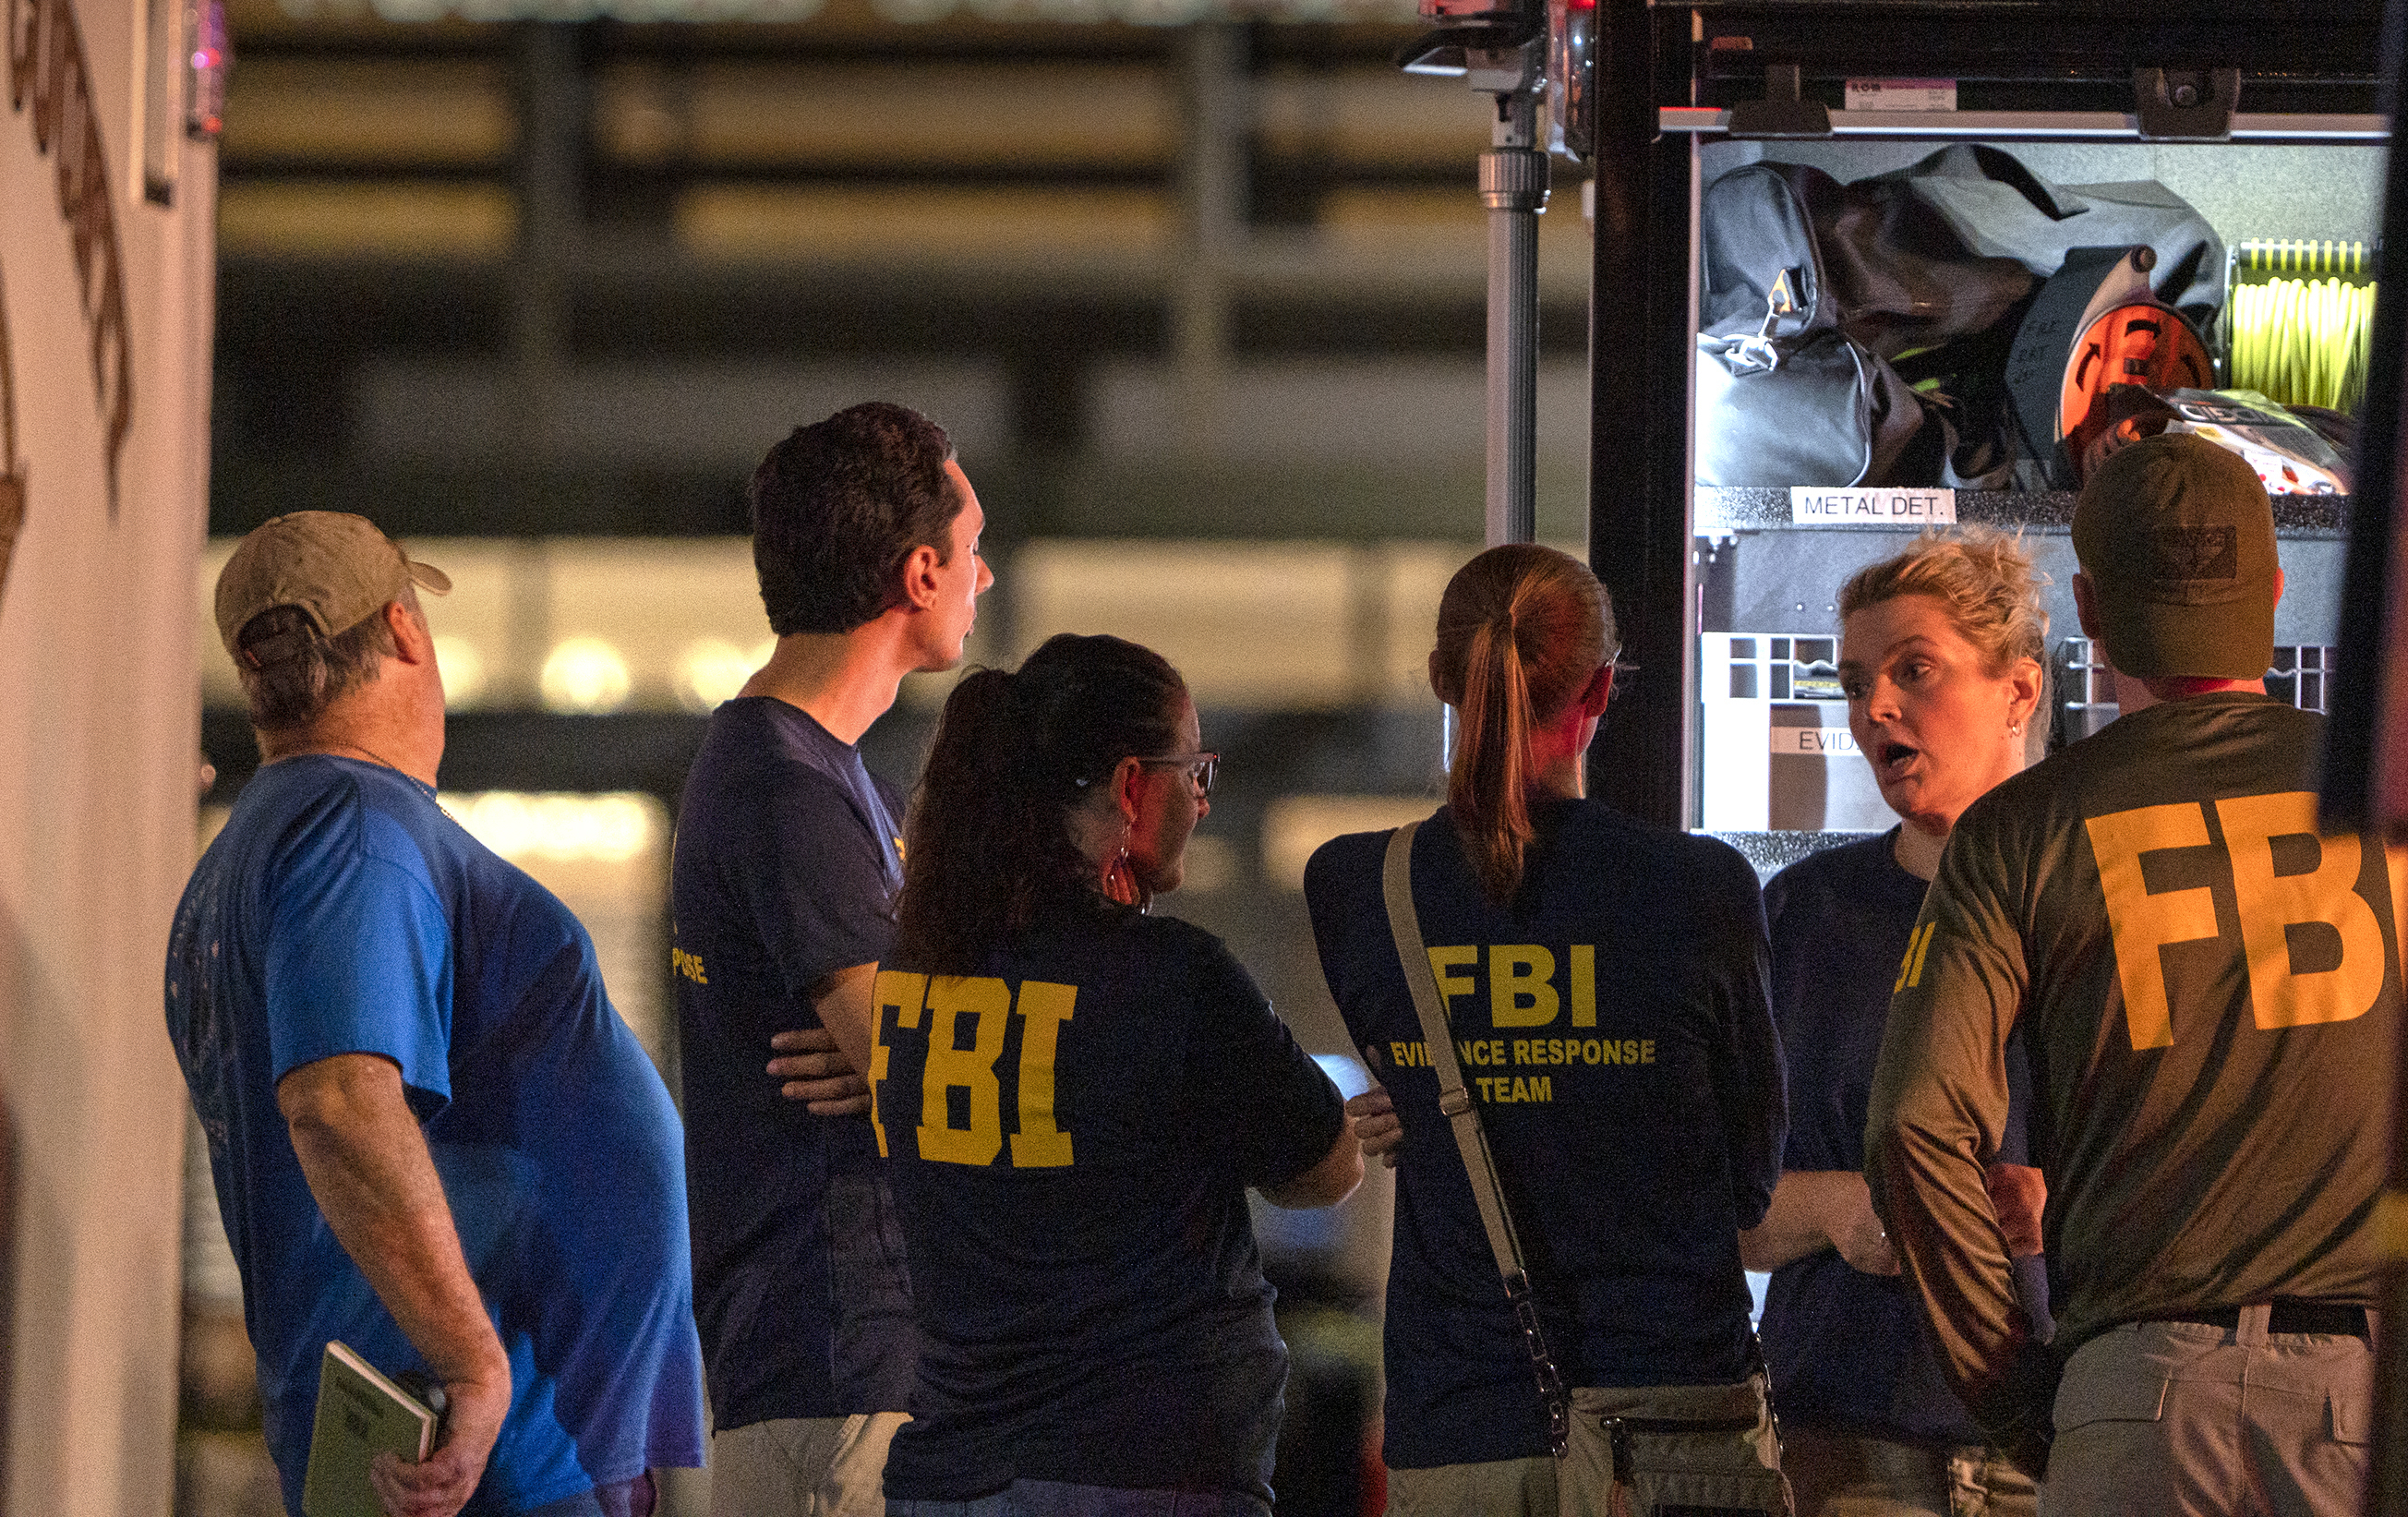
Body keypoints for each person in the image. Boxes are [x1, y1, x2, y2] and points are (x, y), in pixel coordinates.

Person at [1866, 435, 2408, 1517]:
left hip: (2139, 1398)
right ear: (2272, 590)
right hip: (2388, 1397)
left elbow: (1911, 1126)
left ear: (2089, 607)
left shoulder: (2017, 833)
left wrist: (2022, 1391)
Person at [167, 511, 701, 1517]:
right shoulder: (355, 830)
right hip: (484, 1456)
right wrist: (476, 1369)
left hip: (460, 1448)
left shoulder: (254, 854)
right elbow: (337, 1100)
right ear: (406, 630)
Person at [1304, 543, 1788, 1514]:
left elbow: (1422, 1086)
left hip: (1462, 1432)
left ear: (1445, 679)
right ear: (1602, 689)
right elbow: (1750, 1182)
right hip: (1672, 1422)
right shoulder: (1701, 891)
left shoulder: (1360, 887)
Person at [871, 632, 1363, 1514]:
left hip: (954, 1476)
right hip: (1146, 1471)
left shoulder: (911, 983)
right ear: (1134, 786)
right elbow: (1329, 1165)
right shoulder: (1173, 977)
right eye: (1194, 772)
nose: (1204, 803)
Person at [671, 403, 993, 1517]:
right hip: (836, 1366)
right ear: (918, 574)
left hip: (838, 1369)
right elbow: (925, 1070)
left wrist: (920, 1033)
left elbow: (909, 1045)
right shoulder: (786, 790)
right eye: (972, 550)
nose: (984, 577)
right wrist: (918, 1046)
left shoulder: (831, 778)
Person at [1750, 532, 2053, 1517]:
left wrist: (2063, 1206)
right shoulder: (1802, 915)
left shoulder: (2100, 902)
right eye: (1854, 682)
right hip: (1847, 1443)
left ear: (2020, 691)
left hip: (2060, 1437)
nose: (1874, 707)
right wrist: (1841, 1208)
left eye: (1914, 670)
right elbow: (1719, 1207)